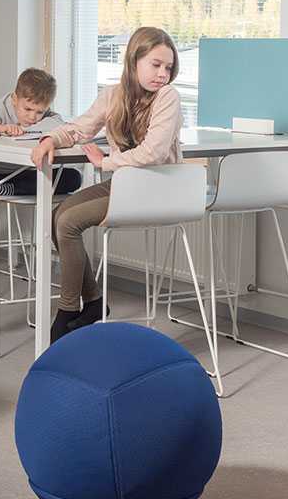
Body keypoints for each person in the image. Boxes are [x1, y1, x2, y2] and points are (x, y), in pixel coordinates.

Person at [30, 27, 184, 342]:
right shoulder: (112, 96)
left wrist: (106, 163)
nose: (163, 74)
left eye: (168, 67)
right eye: (155, 65)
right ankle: (95, 303)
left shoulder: (168, 96)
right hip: (126, 185)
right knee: (56, 214)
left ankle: (68, 310)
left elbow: (154, 151)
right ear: (134, 60)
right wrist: (50, 139)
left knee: (70, 222)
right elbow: (78, 129)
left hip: (158, 188)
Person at [0, 68, 81, 284]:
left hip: (26, 175)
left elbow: (60, 125)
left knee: (72, 178)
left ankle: (10, 188)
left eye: (39, 112)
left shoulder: (46, 117)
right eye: (28, 109)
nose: (32, 117)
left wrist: (40, 127)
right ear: (15, 99)